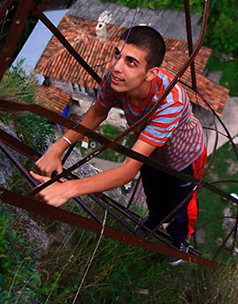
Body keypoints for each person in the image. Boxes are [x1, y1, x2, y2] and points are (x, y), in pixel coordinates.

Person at [31, 26, 207, 265]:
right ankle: (153, 222)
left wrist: (69, 189)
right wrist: (57, 148)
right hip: (150, 151)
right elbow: (96, 113)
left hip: (184, 156)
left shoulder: (170, 103)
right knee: (153, 191)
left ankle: (179, 241)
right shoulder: (115, 79)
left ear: (150, 73)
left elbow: (127, 171)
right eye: (117, 54)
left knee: (181, 202)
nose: (116, 67)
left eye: (131, 62)